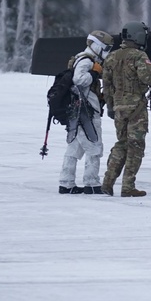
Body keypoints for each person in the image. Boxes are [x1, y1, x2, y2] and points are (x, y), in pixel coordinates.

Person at [101, 21, 151, 198]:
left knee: (121, 144)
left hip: (118, 108)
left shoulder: (111, 57)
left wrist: (110, 106)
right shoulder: (139, 56)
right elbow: (148, 79)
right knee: (136, 146)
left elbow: (107, 85)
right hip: (136, 109)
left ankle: (108, 182)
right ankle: (128, 186)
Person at [60, 30, 114, 194]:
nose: (107, 52)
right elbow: (79, 80)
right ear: (97, 46)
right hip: (86, 112)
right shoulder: (87, 61)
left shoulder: (82, 58)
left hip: (80, 110)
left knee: (75, 147)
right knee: (94, 146)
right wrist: (94, 72)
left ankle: (66, 183)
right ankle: (92, 183)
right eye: (106, 48)